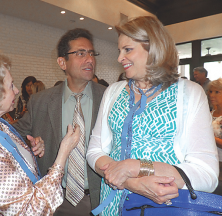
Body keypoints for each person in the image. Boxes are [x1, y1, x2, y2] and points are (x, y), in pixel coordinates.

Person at [87, 16, 218, 215]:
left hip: (162, 206)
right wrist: (133, 183)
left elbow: (207, 174)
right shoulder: (113, 91)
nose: (119, 58)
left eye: (128, 49)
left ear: (154, 49)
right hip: (112, 203)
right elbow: (95, 151)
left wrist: (137, 167)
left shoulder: (189, 93)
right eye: (119, 50)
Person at [0, 49, 81, 215]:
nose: (17, 91)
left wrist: (27, 148)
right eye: (11, 85)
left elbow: (6, 158)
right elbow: (30, 211)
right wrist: (63, 154)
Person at [14, 28, 106, 216]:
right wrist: (31, 143)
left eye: (91, 53)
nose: (90, 59)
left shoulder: (109, 97)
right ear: (62, 62)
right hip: (58, 201)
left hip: (102, 198)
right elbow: (15, 135)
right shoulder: (40, 101)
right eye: (80, 53)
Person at [209, 78, 222, 172]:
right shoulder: (210, 113)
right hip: (212, 161)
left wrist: (209, 136)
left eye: (217, 92)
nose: (212, 95)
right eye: (211, 91)